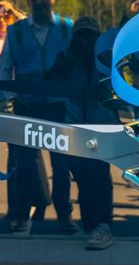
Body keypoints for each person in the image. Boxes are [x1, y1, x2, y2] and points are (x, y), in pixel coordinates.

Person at [0, 0, 76, 233]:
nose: (39, 2)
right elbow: (4, 68)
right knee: (25, 165)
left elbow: (77, 65)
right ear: (28, 3)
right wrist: (11, 98)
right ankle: (20, 215)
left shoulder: (67, 27)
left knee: (61, 166)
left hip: (59, 107)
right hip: (27, 107)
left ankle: (64, 216)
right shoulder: (17, 31)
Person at [45, 16, 117, 249]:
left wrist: (98, 59)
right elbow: (51, 83)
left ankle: (103, 225)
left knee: (100, 175)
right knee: (83, 176)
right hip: (75, 123)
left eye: (90, 36)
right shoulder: (67, 57)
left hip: (100, 123)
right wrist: (67, 60)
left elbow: (113, 84)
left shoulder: (105, 58)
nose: (85, 42)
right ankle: (90, 225)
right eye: (81, 36)